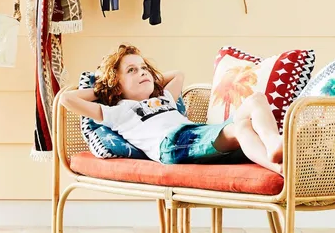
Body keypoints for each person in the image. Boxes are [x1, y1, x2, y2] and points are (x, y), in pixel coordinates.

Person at [60, 44, 283, 174]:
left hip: (194, 134)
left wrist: (149, 80)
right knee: (239, 128)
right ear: (116, 85)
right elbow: (66, 99)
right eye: (132, 70)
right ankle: (277, 157)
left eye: (144, 68)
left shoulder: (165, 97)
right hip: (172, 144)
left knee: (254, 102)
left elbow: (178, 74)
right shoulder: (118, 111)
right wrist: (107, 90)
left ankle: (275, 149)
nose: (142, 73)